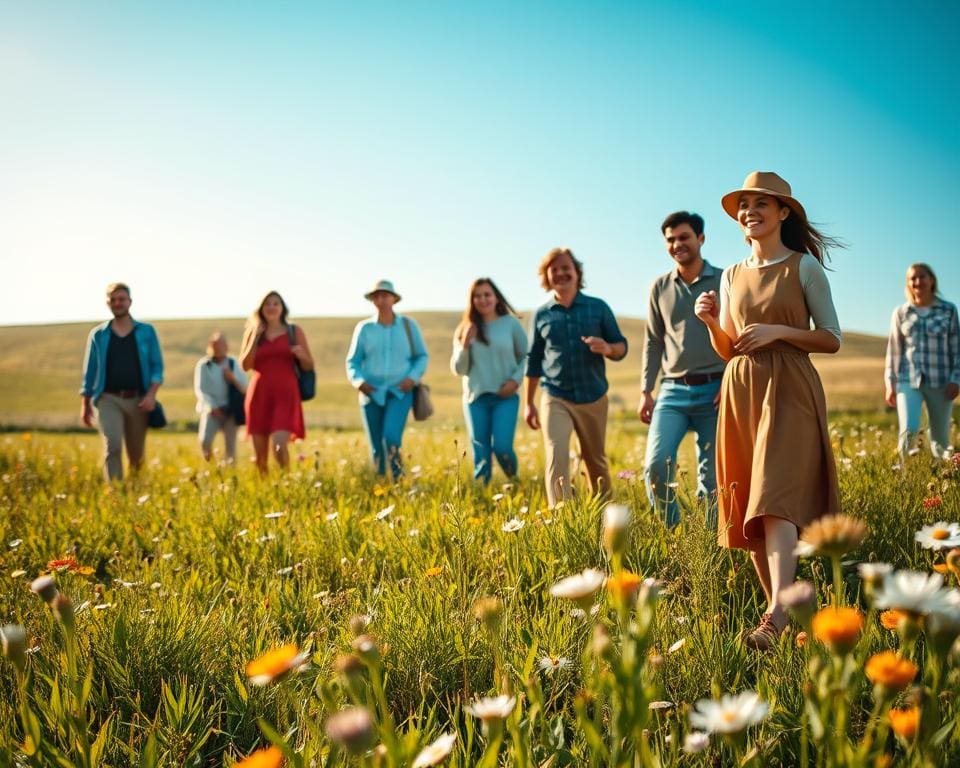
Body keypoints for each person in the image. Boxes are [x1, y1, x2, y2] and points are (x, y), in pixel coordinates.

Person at [694, 171, 842, 651]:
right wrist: (712, 323)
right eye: (743, 205)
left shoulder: (803, 268)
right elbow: (731, 348)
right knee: (748, 504)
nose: (749, 211)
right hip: (742, 388)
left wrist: (779, 332)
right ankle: (781, 615)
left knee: (774, 497)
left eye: (761, 203)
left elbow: (831, 337)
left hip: (790, 387)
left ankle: (776, 616)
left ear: (783, 213)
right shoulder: (732, 274)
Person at [640, 211, 725, 528]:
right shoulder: (659, 287)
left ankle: (709, 539)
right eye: (671, 240)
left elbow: (738, 334)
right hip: (672, 390)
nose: (678, 244)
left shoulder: (724, 281)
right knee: (655, 466)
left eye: (684, 237)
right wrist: (645, 391)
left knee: (713, 475)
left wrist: (731, 381)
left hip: (717, 389)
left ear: (701, 239)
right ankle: (674, 534)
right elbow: (653, 341)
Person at [525, 247, 627, 507]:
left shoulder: (598, 308)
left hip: (593, 396)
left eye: (566, 268)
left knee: (596, 461)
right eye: (554, 269)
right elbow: (534, 360)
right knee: (556, 456)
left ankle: (605, 516)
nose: (560, 273)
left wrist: (607, 348)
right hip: (555, 396)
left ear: (576, 273)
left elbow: (621, 346)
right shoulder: (542, 314)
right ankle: (563, 520)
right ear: (547, 276)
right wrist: (528, 403)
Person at [80, 282, 164, 481]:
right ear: (108, 302)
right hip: (108, 399)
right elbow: (89, 371)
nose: (118, 303)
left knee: (136, 454)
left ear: (130, 302)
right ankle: (116, 494)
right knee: (113, 446)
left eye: (122, 299)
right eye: (113, 299)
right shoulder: (98, 334)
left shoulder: (146, 332)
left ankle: (137, 492)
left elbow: (157, 367)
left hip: (138, 400)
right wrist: (85, 404)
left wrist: (151, 395)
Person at [346, 280, 428, 479]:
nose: (381, 300)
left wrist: (412, 378)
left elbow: (421, 356)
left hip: (400, 392)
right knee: (376, 446)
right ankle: (381, 484)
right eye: (377, 296)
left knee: (391, 438)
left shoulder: (408, 326)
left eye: (385, 295)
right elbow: (353, 361)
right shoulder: (364, 328)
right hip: (370, 394)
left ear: (394, 299)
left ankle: (399, 480)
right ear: (373, 300)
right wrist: (359, 382)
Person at [451, 278, 528, 483]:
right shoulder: (464, 329)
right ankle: (482, 493)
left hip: (505, 396)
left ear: (496, 298)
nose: (482, 299)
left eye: (487, 294)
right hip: (475, 398)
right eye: (477, 296)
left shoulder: (510, 324)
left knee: (502, 447)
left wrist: (515, 381)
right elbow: (459, 369)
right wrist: (466, 345)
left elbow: (526, 357)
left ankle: (514, 480)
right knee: (481, 452)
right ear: (471, 300)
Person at [884, 264, 960, 460]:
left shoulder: (949, 310)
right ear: (908, 283)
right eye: (913, 278)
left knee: (940, 439)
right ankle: (904, 480)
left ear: (931, 280)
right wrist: (890, 383)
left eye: (922, 277)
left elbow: (956, 348)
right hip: (908, 381)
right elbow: (894, 350)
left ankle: (945, 479)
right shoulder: (901, 313)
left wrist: (956, 379)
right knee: (908, 431)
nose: (917, 281)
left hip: (942, 382)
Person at [239, 291, 313, 474]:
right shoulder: (254, 332)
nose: (271, 307)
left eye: (276, 304)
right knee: (260, 456)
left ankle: (286, 484)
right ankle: (265, 491)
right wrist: (255, 337)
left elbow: (309, 364)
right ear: (261, 309)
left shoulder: (294, 332)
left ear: (282, 308)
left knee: (279, 445)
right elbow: (245, 366)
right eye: (267, 304)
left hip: (286, 393)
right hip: (259, 394)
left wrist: (301, 355)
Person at [194, 331, 248, 463]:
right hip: (211, 410)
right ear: (210, 347)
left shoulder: (234, 363)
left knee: (230, 447)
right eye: (215, 345)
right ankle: (213, 467)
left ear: (226, 346)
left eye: (221, 344)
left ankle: (230, 474)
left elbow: (245, 387)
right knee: (205, 441)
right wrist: (212, 407)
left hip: (231, 410)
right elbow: (200, 389)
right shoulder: (204, 365)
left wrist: (232, 378)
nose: (218, 347)